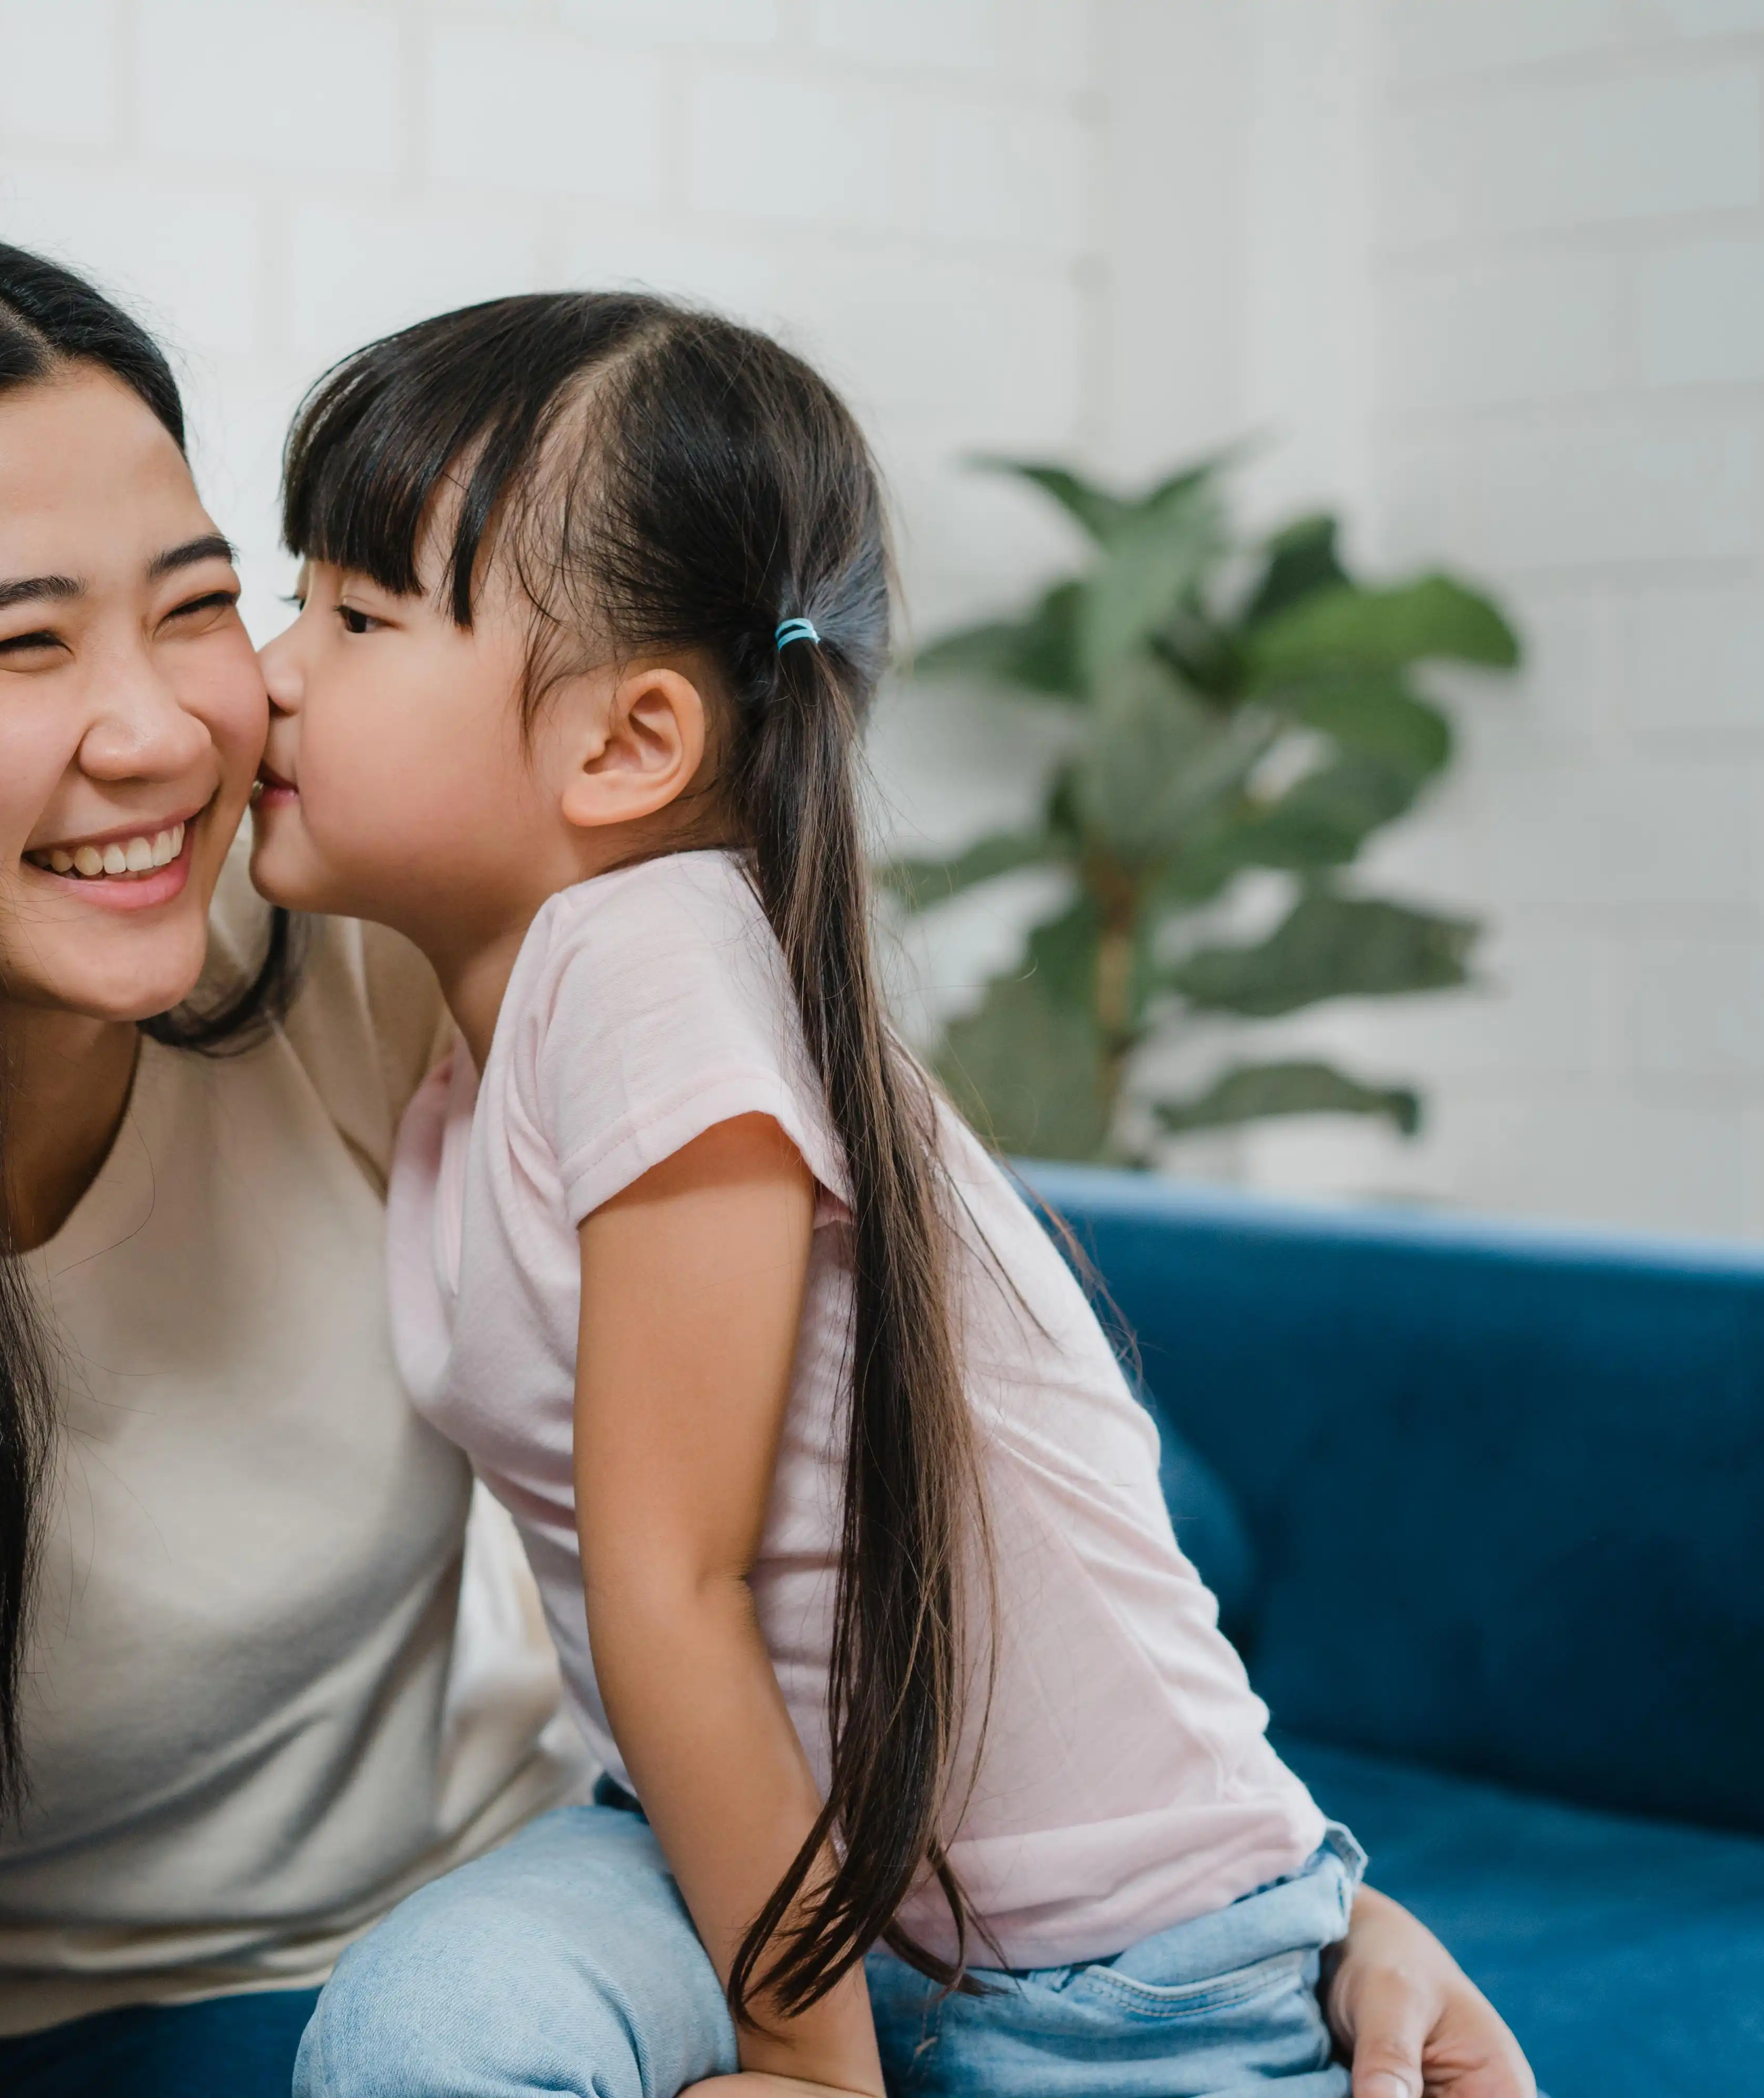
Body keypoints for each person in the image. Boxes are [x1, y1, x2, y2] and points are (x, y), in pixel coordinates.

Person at [0, 222, 1533, 2098]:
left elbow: (932, 1441)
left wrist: (1267, 1906)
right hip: (102, 2035)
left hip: (607, 1905)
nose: (181, 718)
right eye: (25, 644)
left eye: (204, 600)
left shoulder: (394, 956)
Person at [251, 293, 1534, 2098]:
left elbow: (674, 1587)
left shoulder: (653, 966)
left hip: (1108, 1976)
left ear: (627, 747)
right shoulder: (492, 1016)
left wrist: (808, 2076)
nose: (270, 669)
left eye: (359, 618)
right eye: (294, 593)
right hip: (750, 1869)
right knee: (421, 2037)